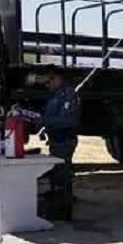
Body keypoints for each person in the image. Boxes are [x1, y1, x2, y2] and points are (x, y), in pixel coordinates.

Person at [41, 67, 80, 220]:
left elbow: (68, 120)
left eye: (49, 80)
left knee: (62, 174)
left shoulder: (68, 95)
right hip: (56, 139)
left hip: (64, 139)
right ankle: (59, 204)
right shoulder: (56, 95)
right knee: (57, 173)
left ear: (58, 79)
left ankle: (64, 210)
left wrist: (45, 121)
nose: (46, 84)